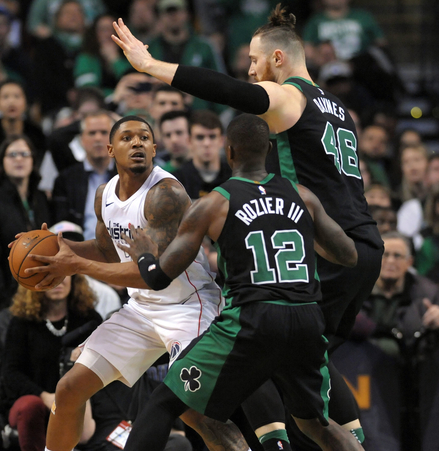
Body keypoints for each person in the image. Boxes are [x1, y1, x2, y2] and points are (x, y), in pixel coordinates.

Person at [112, 5, 384, 443]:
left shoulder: (290, 95)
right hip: (361, 244)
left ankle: (274, 438)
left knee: (266, 340)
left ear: (279, 59)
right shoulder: (338, 108)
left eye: (255, 62)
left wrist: (150, 66)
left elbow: (226, 91)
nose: (251, 72)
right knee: (308, 356)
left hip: (326, 246)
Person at [115, 114, 361, 451]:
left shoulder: (214, 203)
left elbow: (158, 277)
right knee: (316, 424)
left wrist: (143, 254)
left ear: (228, 152)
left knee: (165, 402)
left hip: (253, 320)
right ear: (269, 149)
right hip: (306, 316)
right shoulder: (301, 195)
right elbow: (348, 255)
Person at [26, 116, 244, 451]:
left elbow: (153, 273)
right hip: (141, 311)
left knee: (192, 411)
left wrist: (76, 265)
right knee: (69, 389)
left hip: (188, 307)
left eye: (144, 137)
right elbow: (106, 251)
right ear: (111, 149)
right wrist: (61, 252)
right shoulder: (104, 195)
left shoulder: (166, 194)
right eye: (127, 138)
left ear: (155, 148)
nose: (138, 143)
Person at [0, 281, 103, 451]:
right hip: (35, 400)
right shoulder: (21, 322)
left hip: (80, 398)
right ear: (36, 279)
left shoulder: (89, 319)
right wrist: (44, 396)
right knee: (30, 406)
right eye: (51, 276)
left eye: (64, 274)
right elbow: (11, 373)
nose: (58, 281)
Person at [0, 135, 51, 308]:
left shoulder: (41, 199)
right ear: (2, 162)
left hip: (42, 293)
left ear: (33, 160)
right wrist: (2, 299)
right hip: (7, 297)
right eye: (12, 155)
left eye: (24, 154)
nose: (18, 159)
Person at [353, 232, 439, 346]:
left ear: (409, 262)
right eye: (385, 255)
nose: (390, 261)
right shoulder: (356, 287)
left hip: (412, 358)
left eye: (397, 256)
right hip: (361, 357)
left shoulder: (426, 291)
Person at [52, 111, 117, 239]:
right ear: (82, 139)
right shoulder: (65, 180)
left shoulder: (130, 176)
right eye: (92, 133)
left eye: (104, 132)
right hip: (80, 251)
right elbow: (62, 225)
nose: (98, 138)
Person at [0, 79, 46, 180]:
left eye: (17, 96)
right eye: (5, 97)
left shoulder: (37, 135)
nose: (11, 102)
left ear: (25, 102)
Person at [173, 110, 231, 200]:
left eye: (212, 136)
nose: (206, 143)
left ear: (222, 141)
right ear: (189, 141)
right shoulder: (176, 181)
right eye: (200, 137)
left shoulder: (233, 177)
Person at [74, 14, 133, 97]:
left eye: (113, 29)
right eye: (103, 29)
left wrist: (115, 60)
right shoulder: (86, 58)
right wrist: (115, 96)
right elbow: (87, 90)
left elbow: (135, 83)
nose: (109, 34)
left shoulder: (130, 55)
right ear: (95, 34)